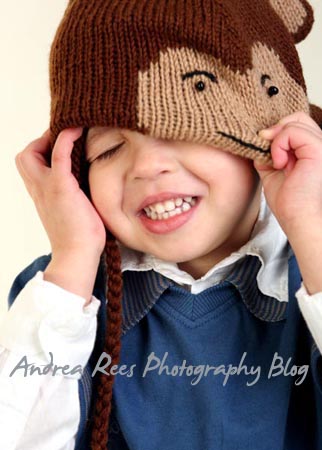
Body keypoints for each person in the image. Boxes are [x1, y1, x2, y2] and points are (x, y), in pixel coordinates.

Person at [1, 0, 322, 449]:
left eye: (184, 127)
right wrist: (71, 264)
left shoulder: (311, 268)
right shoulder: (64, 297)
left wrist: (312, 227)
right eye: (109, 148)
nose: (147, 166)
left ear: (266, 131)